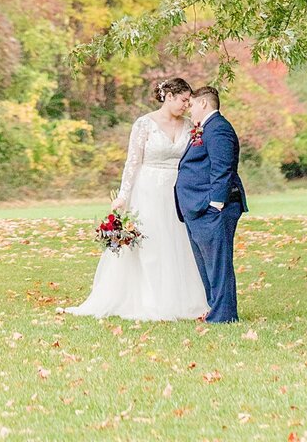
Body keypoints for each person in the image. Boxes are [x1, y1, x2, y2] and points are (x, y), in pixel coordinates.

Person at [65, 77, 209, 320]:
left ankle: (183, 301)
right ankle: (151, 301)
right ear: (169, 96)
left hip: (179, 191)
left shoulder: (190, 126)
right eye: (183, 99)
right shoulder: (144, 124)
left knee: (179, 245)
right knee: (151, 245)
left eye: (189, 101)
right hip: (148, 190)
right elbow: (133, 162)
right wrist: (123, 196)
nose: (187, 104)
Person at [174, 85, 247, 324]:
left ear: (204, 103)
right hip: (197, 208)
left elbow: (222, 168)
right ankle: (215, 311)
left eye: (192, 104)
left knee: (218, 264)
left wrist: (216, 204)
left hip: (212, 209)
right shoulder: (205, 129)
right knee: (207, 266)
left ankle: (224, 315)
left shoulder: (219, 129)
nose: (189, 109)